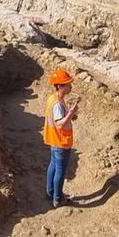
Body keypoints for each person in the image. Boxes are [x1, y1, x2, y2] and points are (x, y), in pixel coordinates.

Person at [42, 68, 80, 208]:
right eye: (68, 84)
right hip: (61, 141)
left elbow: (60, 118)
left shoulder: (55, 98)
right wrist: (71, 112)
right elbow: (60, 124)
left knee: (53, 165)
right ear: (60, 86)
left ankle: (50, 192)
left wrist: (70, 116)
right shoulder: (57, 103)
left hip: (55, 140)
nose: (71, 86)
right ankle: (58, 199)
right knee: (60, 170)